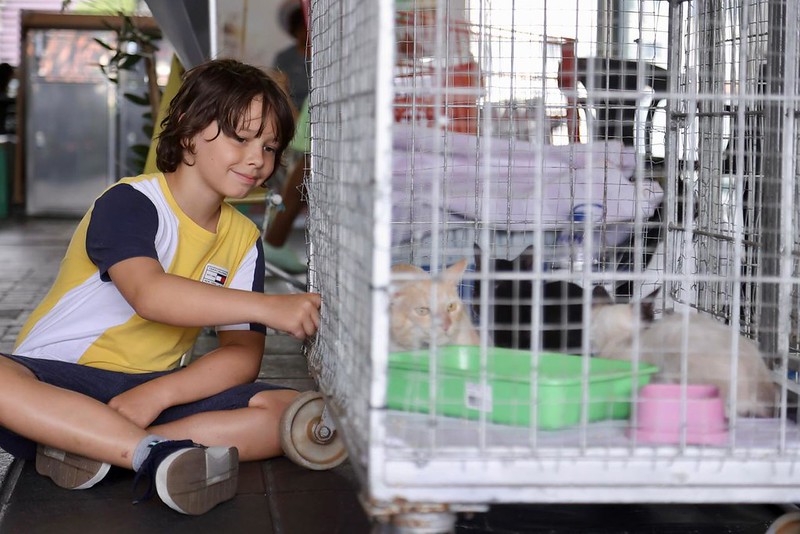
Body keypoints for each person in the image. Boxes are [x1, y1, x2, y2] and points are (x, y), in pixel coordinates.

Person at [0, 58, 321, 515]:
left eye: (270, 147)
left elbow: (240, 356)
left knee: (289, 411)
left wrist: (156, 394)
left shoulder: (243, 240)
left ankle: (94, 449)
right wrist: (270, 306)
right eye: (241, 137)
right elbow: (150, 295)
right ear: (189, 128)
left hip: (146, 394)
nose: (258, 159)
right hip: (57, 384)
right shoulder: (130, 202)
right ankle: (152, 454)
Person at [263, 0, 312, 274]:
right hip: (296, 120)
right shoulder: (285, 58)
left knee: (299, 182)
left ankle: (274, 241)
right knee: (296, 184)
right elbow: (279, 91)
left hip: (314, 120)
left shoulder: (322, 55)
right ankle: (274, 241)